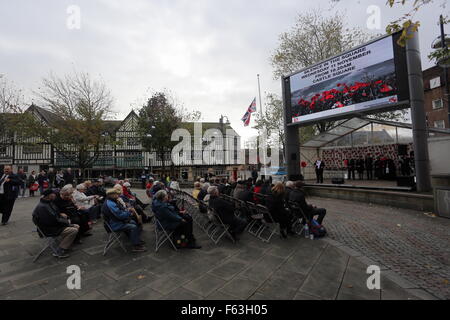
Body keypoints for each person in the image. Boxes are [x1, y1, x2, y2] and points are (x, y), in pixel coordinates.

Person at [32, 189, 79, 258]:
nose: (56, 195)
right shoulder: (43, 207)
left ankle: (65, 245)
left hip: (52, 226)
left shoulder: (48, 202)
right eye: (54, 194)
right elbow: (53, 221)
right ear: (49, 195)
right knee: (74, 230)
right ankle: (60, 251)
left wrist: (61, 215)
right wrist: (69, 224)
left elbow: (55, 216)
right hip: (49, 229)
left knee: (74, 223)